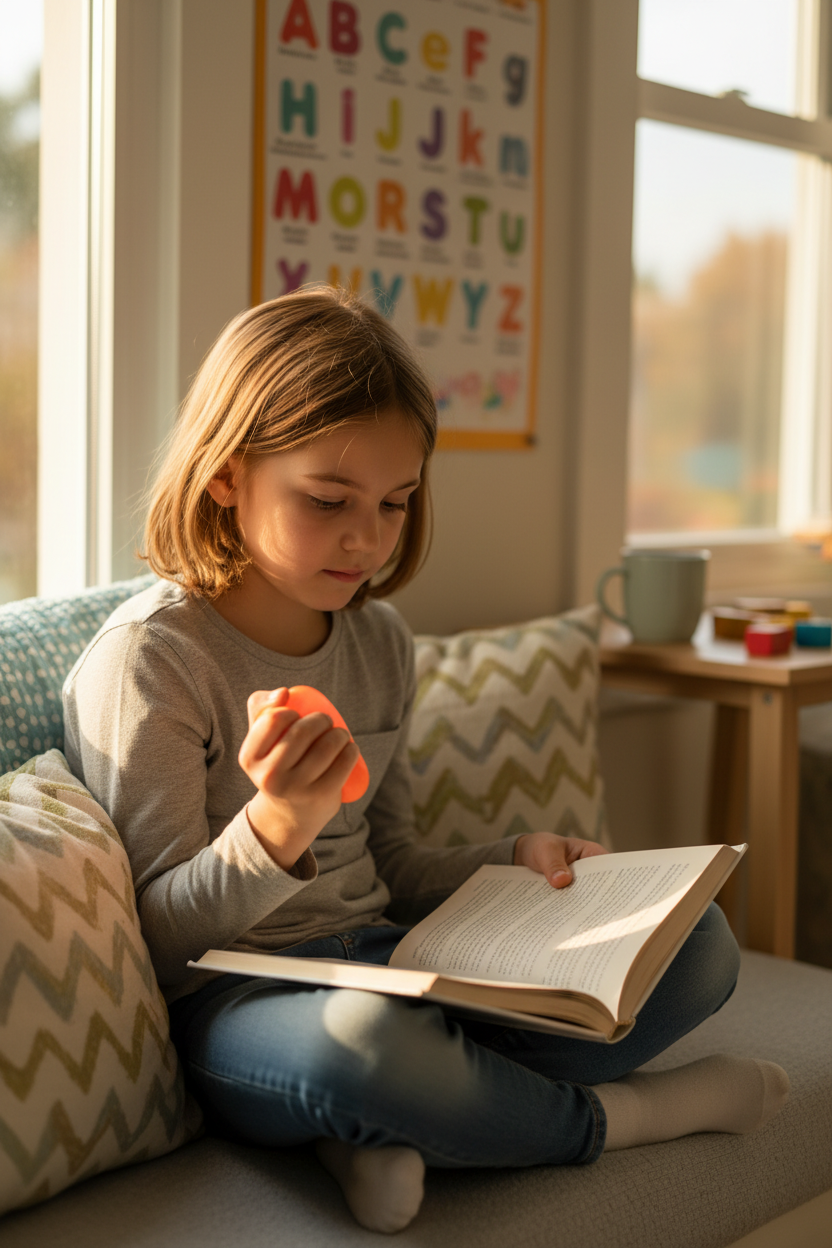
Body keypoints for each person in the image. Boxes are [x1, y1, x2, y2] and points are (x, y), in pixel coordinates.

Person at [63, 287, 789, 1235]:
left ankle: (383, 1129)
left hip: (391, 962)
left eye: (395, 503)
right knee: (366, 1051)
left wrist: (513, 856)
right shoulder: (152, 658)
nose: (365, 537)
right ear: (227, 474)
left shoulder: (378, 643)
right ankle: (619, 1119)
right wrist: (276, 830)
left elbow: (395, 863)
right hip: (243, 1002)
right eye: (327, 500)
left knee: (696, 947)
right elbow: (159, 944)